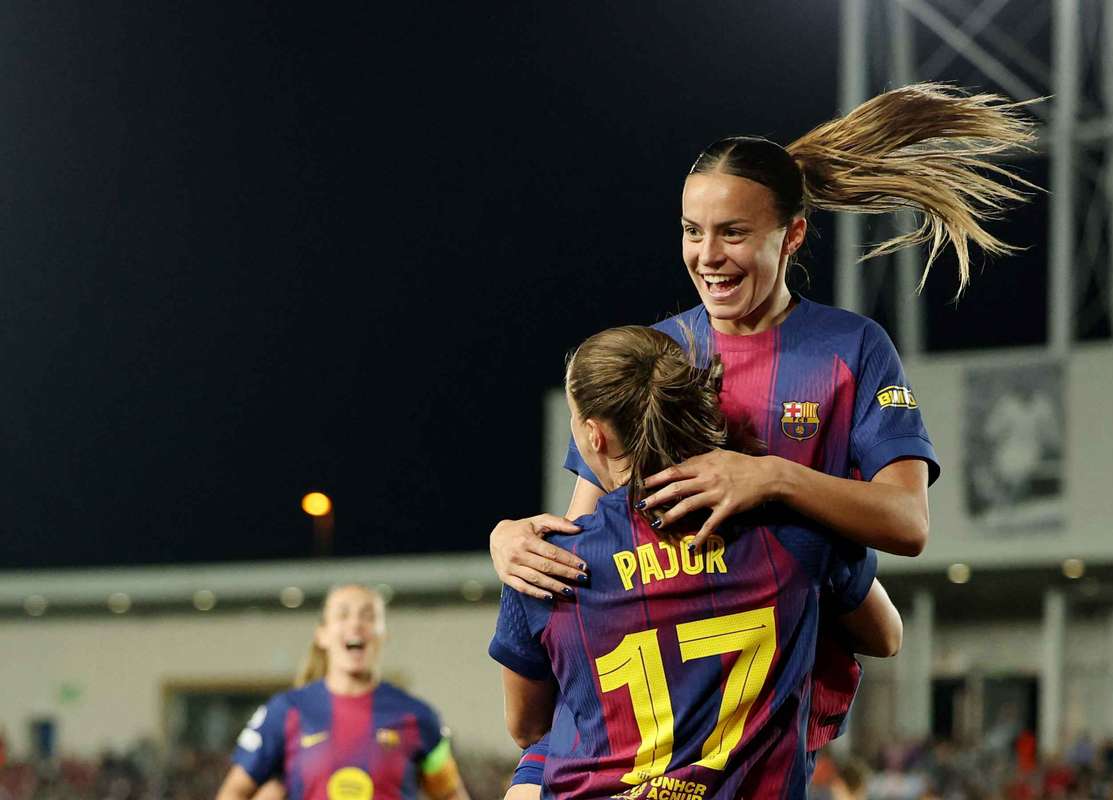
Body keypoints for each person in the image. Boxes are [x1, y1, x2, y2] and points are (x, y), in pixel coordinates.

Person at [489, 82, 1034, 788]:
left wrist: (773, 477)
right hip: (642, 721)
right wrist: (513, 546)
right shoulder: (660, 348)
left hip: (769, 695)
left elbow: (907, 521)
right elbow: (590, 537)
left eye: (733, 233)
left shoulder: (850, 348)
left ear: (793, 234)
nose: (707, 255)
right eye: (692, 231)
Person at [490, 325, 904, 798]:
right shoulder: (795, 533)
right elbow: (886, 636)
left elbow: (527, 730)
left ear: (594, 435)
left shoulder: (540, 565)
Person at [215, 584, 471, 800]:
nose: (356, 624)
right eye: (343, 614)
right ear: (322, 635)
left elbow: (450, 794)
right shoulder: (285, 711)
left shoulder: (419, 717)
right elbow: (234, 792)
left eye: (368, 616)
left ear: (383, 635)